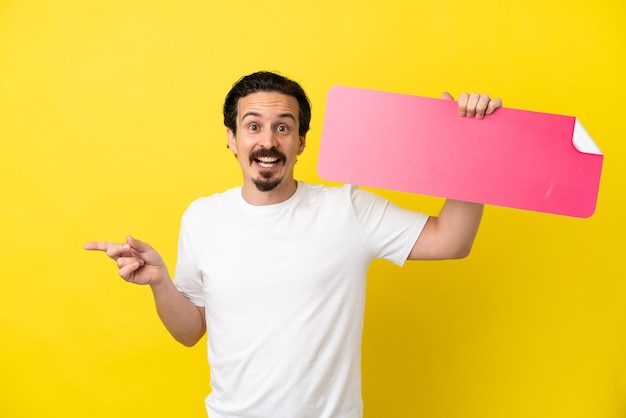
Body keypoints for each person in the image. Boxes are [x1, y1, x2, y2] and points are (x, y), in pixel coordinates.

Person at [84, 71, 502, 418]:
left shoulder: (347, 209)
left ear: (301, 141)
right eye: (254, 126)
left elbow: (452, 239)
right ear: (232, 138)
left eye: (283, 126)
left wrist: (470, 145)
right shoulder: (202, 217)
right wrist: (160, 282)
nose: (268, 141)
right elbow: (191, 330)